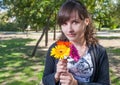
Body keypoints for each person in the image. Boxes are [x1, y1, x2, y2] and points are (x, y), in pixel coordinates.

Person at [42, 0, 110, 85]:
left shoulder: (99, 52)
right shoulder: (55, 48)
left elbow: (105, 83)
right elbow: (45, 80)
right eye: (64, 24)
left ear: (86, 21)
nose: (69, 29)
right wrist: (56, 76)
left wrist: (76, 83)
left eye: (75, 22)